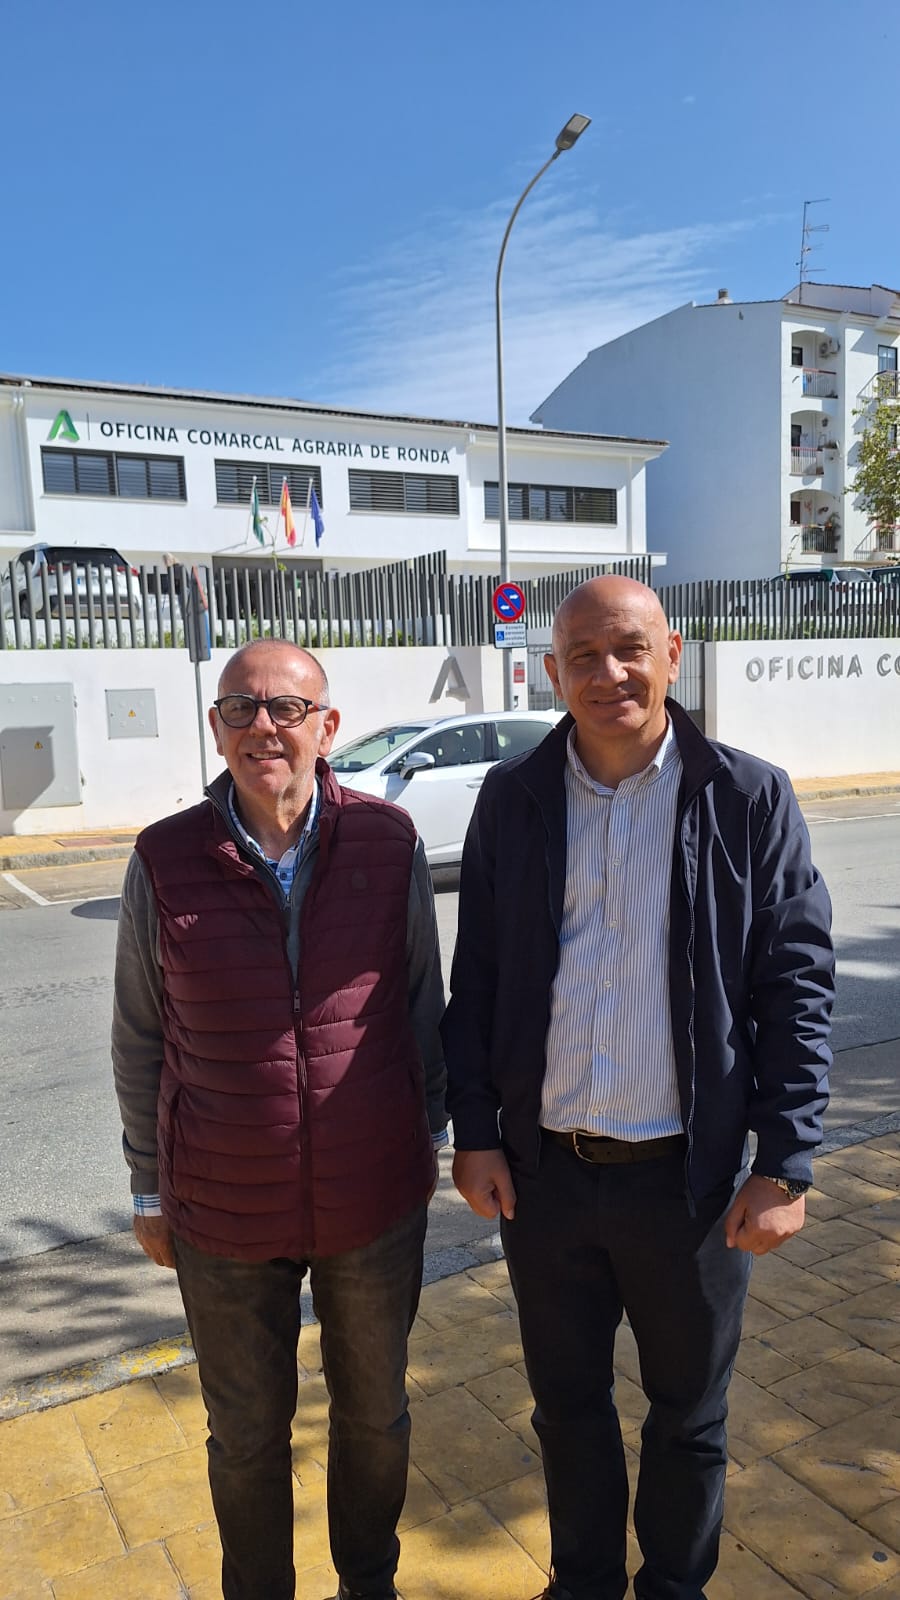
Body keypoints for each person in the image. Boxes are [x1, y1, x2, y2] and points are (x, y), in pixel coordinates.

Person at [443, 576, 833, 1600]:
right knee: (565, 1406)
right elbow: (475, 976)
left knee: (688, 1414)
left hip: (691, 1186)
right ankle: (582, 1585)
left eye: (628, 648)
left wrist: (784, 1161)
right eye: (582, 655)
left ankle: (672, 1588)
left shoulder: (749, 796)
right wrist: (475, 1131)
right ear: (552, 671)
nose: (607, 672)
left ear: (672, 652)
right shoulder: (514, 796)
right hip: (545, 1178)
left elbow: (796, 982)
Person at [112, 638, 447, 1600]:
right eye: (241, 709)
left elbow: (423, 1005)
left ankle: (367, 1582)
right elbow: (141, 1036)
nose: (265, 726)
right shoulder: (164, 858)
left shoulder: (389, 842)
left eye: (287, 708)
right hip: (219, 1209)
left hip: (372, 1199)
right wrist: (148, 1184)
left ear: (327, 727)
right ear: (217, 729)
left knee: (375, 1416)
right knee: (247, 1435)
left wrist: (423, 1144)